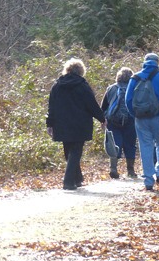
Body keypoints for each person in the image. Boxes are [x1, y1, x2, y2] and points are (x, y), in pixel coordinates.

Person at [46, 58, 106, 190]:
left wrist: (49, 124)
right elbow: (91, 104)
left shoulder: (57, 85)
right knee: (75, 152)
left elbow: (51, 106)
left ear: (67, 70)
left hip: (61, 123)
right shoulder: (83, 85)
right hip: (80, 123)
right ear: (81, 71)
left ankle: (77, 179)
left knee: (69, 152)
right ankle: (68, 182)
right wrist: (102, 118)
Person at [125, 53, 159, 190]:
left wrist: (135, 114)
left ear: (144, 62)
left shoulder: (135, 77)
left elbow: (128, 100)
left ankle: (148, 181)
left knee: (145, 147)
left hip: (140, 118)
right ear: (157, 62)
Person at [101, 67, 138, 179]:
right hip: (131, 119)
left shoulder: (111, 88)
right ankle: (130, 170)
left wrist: (103, 120)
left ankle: (113, 168)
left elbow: (104, 106)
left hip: (113, 121)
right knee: (130, 144)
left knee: (114, 143)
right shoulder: (134, 88)